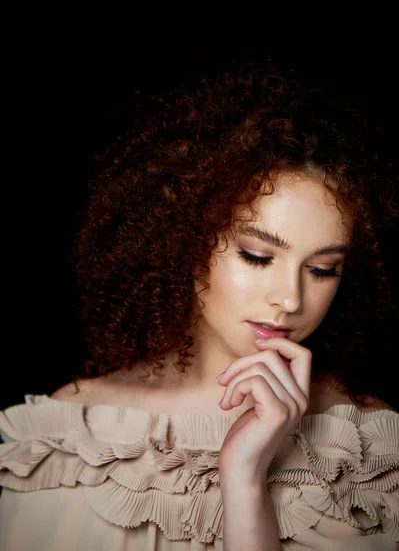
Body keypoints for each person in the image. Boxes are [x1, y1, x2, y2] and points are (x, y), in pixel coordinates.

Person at [1, 59, 398, 551]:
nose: (292, 299)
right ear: (187, 244)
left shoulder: (369, 449)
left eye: (322, 269)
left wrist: (245, 480)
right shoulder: (67, 434)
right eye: (257, 256)